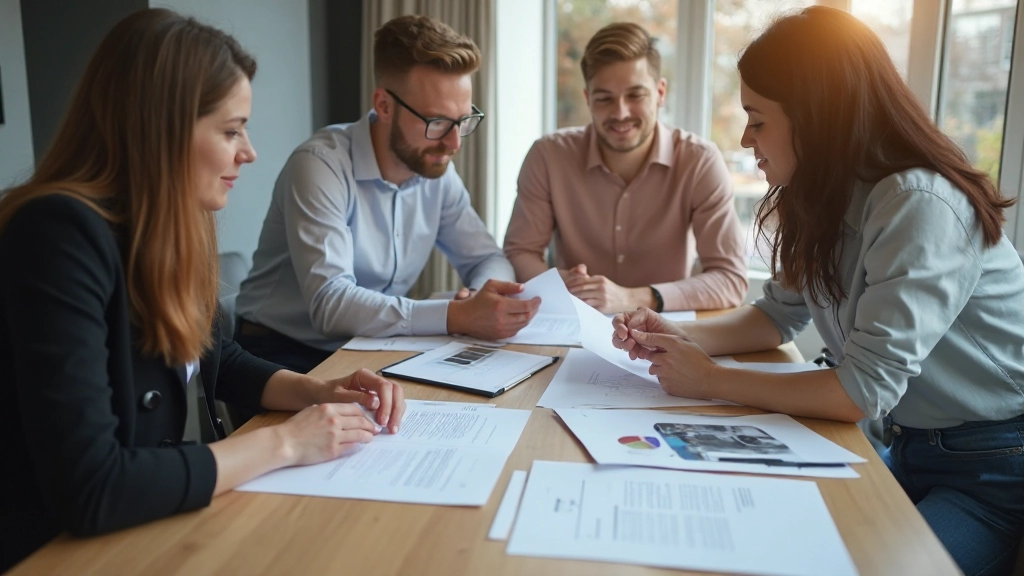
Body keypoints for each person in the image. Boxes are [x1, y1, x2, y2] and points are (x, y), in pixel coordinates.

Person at [612, 7, 1024, 574]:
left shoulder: (916, 204)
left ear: (816, 115)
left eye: (757, 119)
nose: (744, 137)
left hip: (991, 467)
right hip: (908, 446)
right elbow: (775, 318)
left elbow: (860, 392)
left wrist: (709, 380)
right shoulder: (819, 194)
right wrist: (679, 335)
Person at [0, 10, 405, 571]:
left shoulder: (171, 226)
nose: (249, 152)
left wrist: (318, 393)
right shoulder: (56, 236)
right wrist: (285, 443)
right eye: (231, 130)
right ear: (160, 129)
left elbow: (217, 357)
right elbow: (92, 486)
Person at [234, 15, 539, 373]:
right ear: (384, 106)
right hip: (279, 353)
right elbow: (331, 305)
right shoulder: (319, 166)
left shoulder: (436, 167)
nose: (454, 143)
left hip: (371, 346)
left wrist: (477, 297)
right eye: (437, 122)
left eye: (463, 121)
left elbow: (487, 257)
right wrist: (457, 315)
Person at [503, 22, 748, 314]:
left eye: (635, 95)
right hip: (573, 329)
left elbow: (731, 280)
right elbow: (520, 252)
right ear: (587, 99)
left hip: (666, 336)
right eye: (604, 98)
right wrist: (555, 284)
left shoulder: (700, 161)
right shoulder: (547, 156)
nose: (620, 113)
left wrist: (636, 298)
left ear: (660, 92)